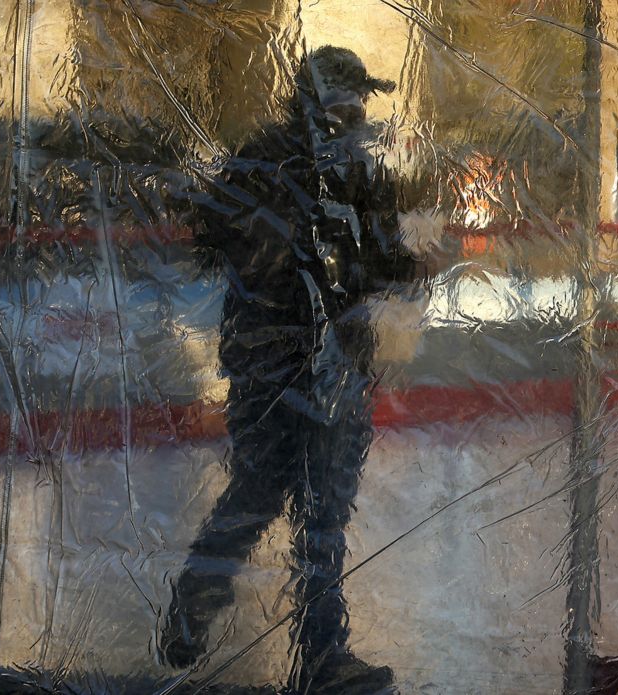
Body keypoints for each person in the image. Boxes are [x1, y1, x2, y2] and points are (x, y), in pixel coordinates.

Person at [159, 45, 428, 694]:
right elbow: (213, 233)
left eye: (363, 98)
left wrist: (399, 264)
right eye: (350, 95)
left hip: (335, 369)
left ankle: (320, 655)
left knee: (324, 514)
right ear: (317, 97)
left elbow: (391, 259)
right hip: (274, 368)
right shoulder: (268, 158)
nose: (360, 108)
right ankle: (193, 611)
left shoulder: (359, 170)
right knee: (259, 493)